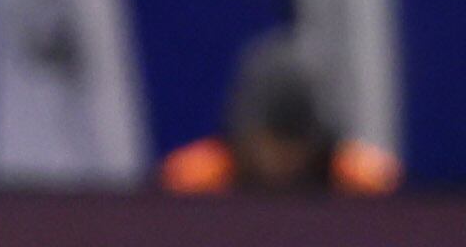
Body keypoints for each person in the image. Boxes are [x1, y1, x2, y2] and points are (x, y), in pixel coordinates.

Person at [160, 37, 404, 195]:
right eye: (271, 139)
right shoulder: (196, 181)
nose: (282, 158)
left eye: (295, 142)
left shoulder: (362, 182)